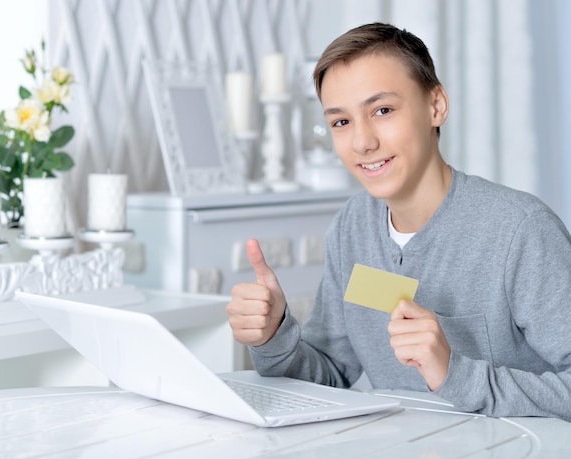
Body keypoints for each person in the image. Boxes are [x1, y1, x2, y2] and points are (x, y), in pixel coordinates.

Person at [226, 22, 571, 421]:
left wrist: (455, 373)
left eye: (383, 110)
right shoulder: (351, 229)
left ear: (435, 106)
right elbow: (329, 374)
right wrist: (273, 336)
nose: (362, 142)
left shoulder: (520, 231)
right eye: (341, 121)